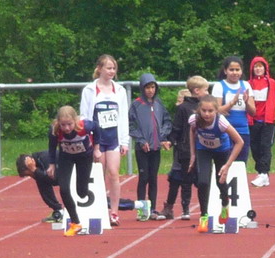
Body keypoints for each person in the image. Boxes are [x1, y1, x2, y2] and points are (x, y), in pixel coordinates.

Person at [80, 54, 129, 227]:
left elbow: (123, 116)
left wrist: (124, 141)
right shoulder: (89, 90)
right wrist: (87, 139)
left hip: (113, 137)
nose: (111, 71)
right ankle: (99, 209)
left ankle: (114, 212)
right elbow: (84, 116)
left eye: (114, 68)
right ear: (99, 69)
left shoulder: (120, 90)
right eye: (108, 68)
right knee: (99, 174)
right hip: (97, 139)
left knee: (114, 173)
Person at [189, 95, 244, 233]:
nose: (207, 114)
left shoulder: (221, 122)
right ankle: (204, 216)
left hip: (221, 151)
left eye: (210, 111)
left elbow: (239, 142)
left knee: (221, 181)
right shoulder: (194, 120)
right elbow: (192, 132)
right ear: (199, 110)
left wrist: (228, 165)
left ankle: (225, 204)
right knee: (203, 182)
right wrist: (193, 154)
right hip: (203, 150)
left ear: (216, 111)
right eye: (204, 111)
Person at [47, 105, 101, 237]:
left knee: (82, 193)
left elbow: (97, 128)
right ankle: (75, 223)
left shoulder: (84, 126)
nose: (66, 128)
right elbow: (52, 147)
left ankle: (99, 198)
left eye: (69, 124)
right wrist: (51, 164)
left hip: (84, 157)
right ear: (58, 123)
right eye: (63, 125)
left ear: (75, 121)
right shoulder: (55, 130)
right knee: (64, 189)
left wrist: (96, 149)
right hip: (66, 158)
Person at [163, 77, 208, 220]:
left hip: (204, 148)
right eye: (205, 90)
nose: (207, 92)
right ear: (197, 91)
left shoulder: (206, 106)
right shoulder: (183, 108)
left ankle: (205, 209)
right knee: (186, 181)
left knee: (203, 181)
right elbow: (176, 128)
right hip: (186, 150)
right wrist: (170, 141)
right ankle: (185, 209)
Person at [129, 73, 172, 221]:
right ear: (142, 88)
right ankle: (142, 209)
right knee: (144, 177)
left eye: (153, 87)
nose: (150, 90)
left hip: (156, 148)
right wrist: (141, 140)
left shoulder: (159, 103)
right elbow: (131, 125)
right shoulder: (136, 105)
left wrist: (162, 137)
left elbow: (167, 121)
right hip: (142, 149)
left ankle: (153, 209)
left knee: (153, 178)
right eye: (147, 87)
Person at [212, 56, 254, 162]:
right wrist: (231, 103)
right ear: (225, 71)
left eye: (237, 69)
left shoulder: (246, 85)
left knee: (240, 163)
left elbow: (253, 112)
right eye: (231, 70)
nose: (234, 73)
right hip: (224, 130)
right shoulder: (219, 86)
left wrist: (246, 102)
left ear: (241, 71)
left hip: (243, 130)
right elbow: (216, 111)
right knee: (224, 162)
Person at [248, 55, 275, 187]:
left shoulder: (272, 83)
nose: (258, 69)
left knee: (265, 146)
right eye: (256, 67)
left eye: (260, 66)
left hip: (268, 121)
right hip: (253, 121)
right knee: (255, 147)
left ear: (265, 68)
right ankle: (261, 172)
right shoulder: (248, 84)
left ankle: (264, 172)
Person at [15, 151, 65, 223]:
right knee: (40, 178)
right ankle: (58, 211)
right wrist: (36, 172)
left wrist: (34, 170)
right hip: (64, 174)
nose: (32, 177)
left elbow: (54, 180)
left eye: (30, 174)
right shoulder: (39, 163)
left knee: (41, 177)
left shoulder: (45, 159)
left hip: (75, 171)